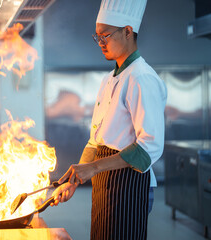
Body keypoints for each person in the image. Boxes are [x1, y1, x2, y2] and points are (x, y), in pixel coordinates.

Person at [50, 0, 167, 239]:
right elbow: (95, 141)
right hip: (104, 183)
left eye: (106, 35)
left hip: (130, 183)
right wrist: (74, 180)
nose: (100, 42)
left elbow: (149, 147)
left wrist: (92, 168)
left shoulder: (142, 78)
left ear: (127, 31)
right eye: (97, 37)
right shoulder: (109, 80)